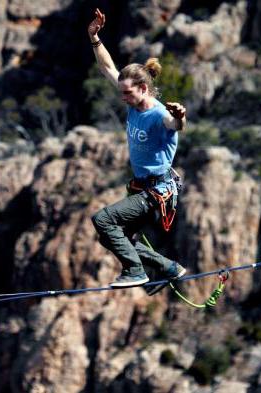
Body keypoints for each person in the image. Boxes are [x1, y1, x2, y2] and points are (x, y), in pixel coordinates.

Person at [87, 8, 187, 287]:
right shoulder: (132, 98)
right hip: (143, 187)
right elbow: (107, 68)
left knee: (103, 219)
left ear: (143, 88)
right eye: (122, 92)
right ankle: (168, 267)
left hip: (158, 191)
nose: (123, 98)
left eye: (128, 92)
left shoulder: (157, 113)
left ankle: (135, 271)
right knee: (110, 235)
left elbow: (174, 125)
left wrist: (180, 116)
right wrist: (94, 37)